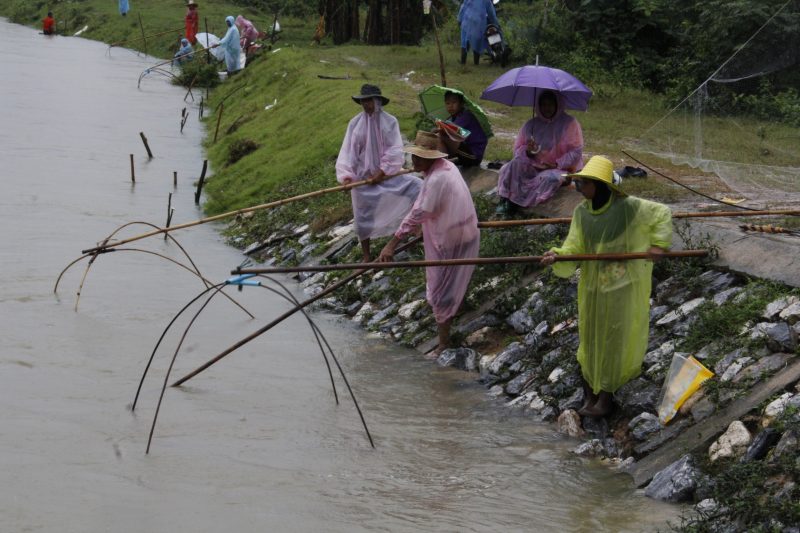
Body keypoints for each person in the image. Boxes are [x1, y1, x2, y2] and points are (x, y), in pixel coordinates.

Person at [540, 156, 672, 417]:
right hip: (592, 287)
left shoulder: (629, 208)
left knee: (613, 340)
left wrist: (657, 244)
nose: (578, 188)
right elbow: (574, 247)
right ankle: (590, 395)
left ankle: (606, 399)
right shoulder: (582, 213)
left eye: (583, 183)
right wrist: (558, 255)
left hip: (621, 287)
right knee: (589, 339)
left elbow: (662, 213)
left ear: (599, 185)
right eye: (578, 183)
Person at [378, 131, 480, 356]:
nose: (414, 162)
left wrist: (392, 243)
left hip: (453, 238)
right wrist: (419, 229)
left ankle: (444, 344)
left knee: (440, 291)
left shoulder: (437, 177)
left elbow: (420, 211)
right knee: (451, 282)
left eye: (419, 158)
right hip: (462, 231)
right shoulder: (445, 168)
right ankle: (454, 317)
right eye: (413, 156)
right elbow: (432, 207)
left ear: (433, 158)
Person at [336, 84, 423, 262]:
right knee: (362, 218)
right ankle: (366, 256)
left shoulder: (390, 122)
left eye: (369, 101)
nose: (366, 105)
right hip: (363, 180)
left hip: (387, 176)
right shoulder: (355, 124)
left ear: (377, 101)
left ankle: (416, 230)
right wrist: (346, 177)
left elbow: (394, 150)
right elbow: (348, 152)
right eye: (363, 101)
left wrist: (382, 172)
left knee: (418, 187)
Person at [495, 90, 584, 218]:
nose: (546, 108)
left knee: (550, 179)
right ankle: (506, 201)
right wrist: (528, 152)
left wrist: (555, 164)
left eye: (550, 104)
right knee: (511, 166)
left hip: (559, 169)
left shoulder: (569, 123)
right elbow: (518, 149)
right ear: (538, 106)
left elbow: (576, 151)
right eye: (543, 105)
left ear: (558, 105)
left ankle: (523, 205)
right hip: (533, 166)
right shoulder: (531, 125)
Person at [434, 90, 489, 168]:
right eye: (447, 103)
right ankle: (443, 161)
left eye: (454, 102)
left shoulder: (466, 116)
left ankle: (442, 164)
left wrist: (441, 128)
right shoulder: (452, 118)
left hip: (473, 155)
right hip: (464, 153)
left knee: (441, 135)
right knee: (439, 135)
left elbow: (455, 131)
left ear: (461, 104)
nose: (450, 106)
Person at [457, 0, 499, 66]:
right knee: (477, 42)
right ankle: (476, 63)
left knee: (464, 42)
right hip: (478, 22)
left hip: (466, 20)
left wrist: (459, 19)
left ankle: (463, 62)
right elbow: (491, 13)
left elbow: (463, 8)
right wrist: (496, 24)